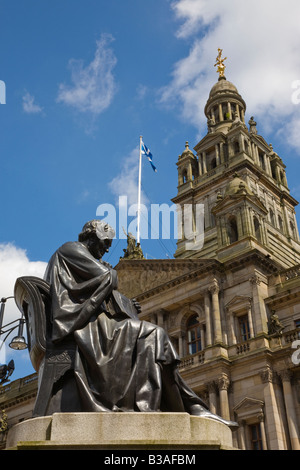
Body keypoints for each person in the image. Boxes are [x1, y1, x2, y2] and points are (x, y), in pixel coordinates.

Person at [44, 219, 237, 429]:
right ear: (93, 236)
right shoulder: (71, 249)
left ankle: (186, 409)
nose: (106, 250)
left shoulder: (77, 256)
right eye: (105, 243)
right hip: (80, 326)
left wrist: (124, 301)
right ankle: (189, 410)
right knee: (154, 336)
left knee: (152, 338)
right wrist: (109, 272)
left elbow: (97, 288)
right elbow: (107, 278)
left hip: (89, 323)